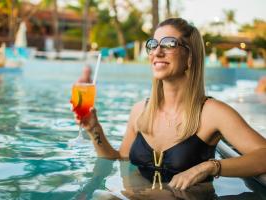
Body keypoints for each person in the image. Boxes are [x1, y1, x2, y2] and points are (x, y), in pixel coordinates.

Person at [73, 18, 266, 191]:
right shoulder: (141, 110)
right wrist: (94, 129)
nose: (157, 51)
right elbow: (118, 158)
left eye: (169, 43)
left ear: (189, 57)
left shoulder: (211, 113)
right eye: (153, 44)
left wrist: (211, 166)